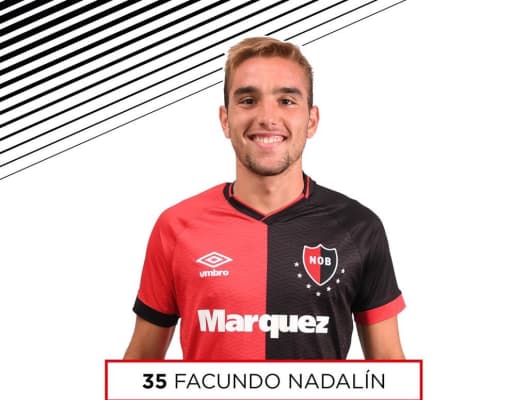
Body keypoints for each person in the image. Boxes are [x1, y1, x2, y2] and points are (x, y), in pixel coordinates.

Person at [124, 37, 405, 360]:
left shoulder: (358, 228)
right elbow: (139, 365)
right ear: (225, 120)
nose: (267, 117)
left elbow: (390, 369)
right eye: (248, 100)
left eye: (286, 100)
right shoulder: (176, 227)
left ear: (311, 120)